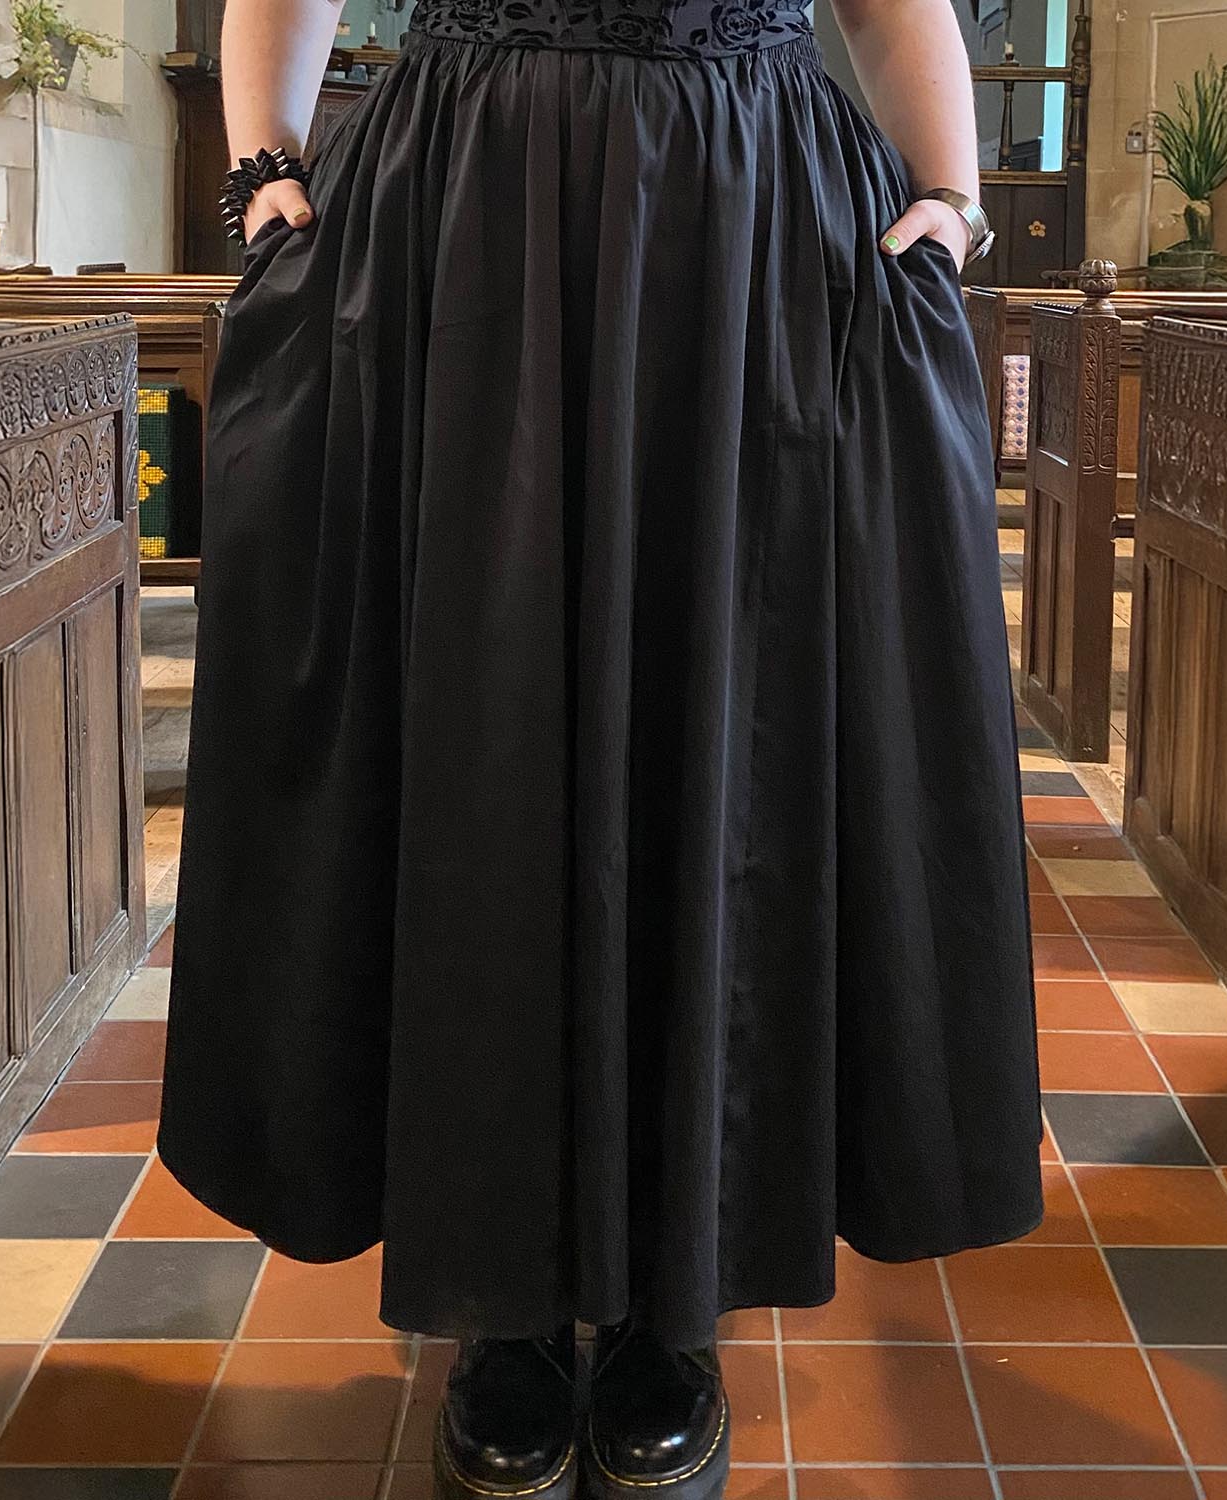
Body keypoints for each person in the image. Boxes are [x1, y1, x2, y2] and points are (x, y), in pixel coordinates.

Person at [157, 0, 1044, 1496]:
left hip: (741, 229)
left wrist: (950, 202)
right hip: (469, 215)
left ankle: (669, 1297)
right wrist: (264, 172)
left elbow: (894, 8)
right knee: (481, 737)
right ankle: (496, 1294)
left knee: (718, 733)